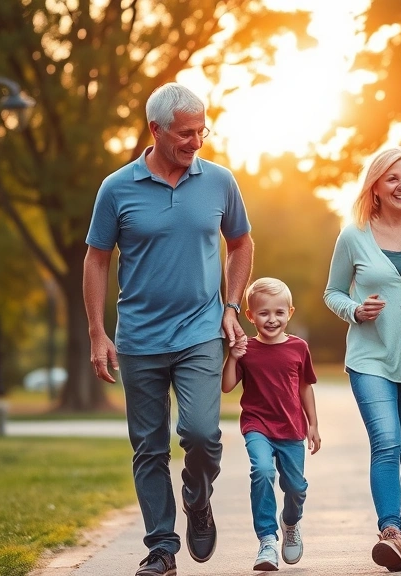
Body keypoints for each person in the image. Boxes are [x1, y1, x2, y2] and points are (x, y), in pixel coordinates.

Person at [83, 82, 253, 576]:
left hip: (200, 331)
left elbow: (241, 243)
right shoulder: (117, 188)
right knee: (149, 446)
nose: (197, 141)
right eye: (185, 133)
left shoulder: (219, 181)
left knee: (201, 434)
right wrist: (98, 331)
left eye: (202, 131)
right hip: (138, 338)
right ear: (154, 129)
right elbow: (96, 259)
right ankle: (161, 547)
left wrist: (231, 305)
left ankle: (197, 501)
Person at [323, 146, 401, 572]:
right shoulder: (354, 234)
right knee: (386, 443)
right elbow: (333, 291)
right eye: (392, 178)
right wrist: (354, 310)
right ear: (375, 186)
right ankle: (390, 530)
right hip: (369, 358)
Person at [222, 277, 320, 571]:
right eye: (264, 313)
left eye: (279, 312)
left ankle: (290, 522)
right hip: (257, 426)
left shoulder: (299, 348)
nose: (272, 319)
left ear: (289, 313)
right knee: (262, 471)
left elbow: (305, 387)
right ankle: (267, 539)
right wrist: (232, 357)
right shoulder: (246, 349)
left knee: (296, 487)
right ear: (251, 316)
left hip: (292, 430)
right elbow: (227, 387)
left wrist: (313, 424)